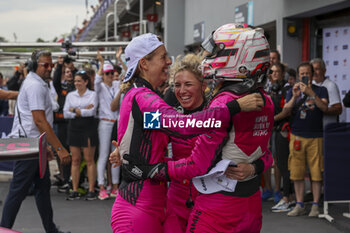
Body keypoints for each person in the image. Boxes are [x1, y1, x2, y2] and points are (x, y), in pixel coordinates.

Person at [114, 24, 274, 233]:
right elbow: (179, 126)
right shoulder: (143, 97)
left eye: (188, 84)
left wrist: (130, 151)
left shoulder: (148, 97)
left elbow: (154, 127)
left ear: (202, 86)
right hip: (146, 205)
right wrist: (233, 108)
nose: (169, 62)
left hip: (171, 204)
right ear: (144, 64)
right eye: (163, 57)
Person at [0, 50, 71, 233]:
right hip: (29, 144)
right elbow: (39, 120)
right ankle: (4, 228)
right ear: (34, 66)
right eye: (45, 65)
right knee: (18, 190)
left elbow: (38, 120)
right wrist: (59, 148)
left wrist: (45, 145)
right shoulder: (35, 86)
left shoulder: (36, 83)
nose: (49, 68)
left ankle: (51, 229)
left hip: (34, 144)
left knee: (42, 187)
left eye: (51, 65)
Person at [280, 62, 329, 217]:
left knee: (316, 172)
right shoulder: (291, 90)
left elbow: (325, 108)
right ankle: (300, 204)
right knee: (296, 172)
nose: (304, 75)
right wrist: (294, 97)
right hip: (297, 136)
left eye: (307, 72)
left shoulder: (321, 90)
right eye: (301, 73)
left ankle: (315, 205)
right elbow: (285, 111)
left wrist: (312, 94)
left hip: (316, 136)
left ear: (312, 74)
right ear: (298, 75)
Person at [63, 70, 98, 201]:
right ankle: (75, 189)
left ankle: (91, 190)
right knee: (75, 160)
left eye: (79, 81)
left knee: (89, 159)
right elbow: (66, 113)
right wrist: (81, 110)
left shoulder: (93, 95)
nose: (77, 83)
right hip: (73, 128)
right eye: (75, 81)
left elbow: (92, 112)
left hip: (88, 127)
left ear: (86, 82)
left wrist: (74, 110)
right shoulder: (70, 95)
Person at [95, 53, 121, 200]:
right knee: (104, 155)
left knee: (115, 154)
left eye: (112, 73)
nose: (110, 75)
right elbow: (97, 79)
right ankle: (102, 186)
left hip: (116, 123)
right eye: (107, 73)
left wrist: (119, 59)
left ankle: (115, 186)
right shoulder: (100, 86)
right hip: (105, 123)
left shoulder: (117, 85)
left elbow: (125, 76)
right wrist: (101, 63)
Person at [270, 63, 295, 212]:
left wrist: (271, 120)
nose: (275, 74)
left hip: (284, 131)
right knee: (280, 163)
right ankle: (290, 197)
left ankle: (286, 198)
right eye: (272, 72)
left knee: (284, 165)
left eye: (278, 72)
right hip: (275, 131)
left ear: (283, 73)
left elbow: (287, 111)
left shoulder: (287, 89)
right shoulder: (272, 90)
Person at [53, 65, 75, 193]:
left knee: (75, 153)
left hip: (73, 124)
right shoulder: (60, 87)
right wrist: (60, 65)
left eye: (71, 72)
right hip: (61, 124)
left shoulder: (76, 86)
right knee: (64, 151)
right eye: (66, 72)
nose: (69, 74)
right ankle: (66, 179)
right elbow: (55, 80)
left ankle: (74, 179)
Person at [310, 58, 342, 127]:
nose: (314, 72)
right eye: (312, 69)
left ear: (324, 71)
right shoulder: (310, 85)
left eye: (317, 69)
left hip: (327, 130)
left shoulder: (331, 85)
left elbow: (338, 110)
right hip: (314, 130)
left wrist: (321, 110)